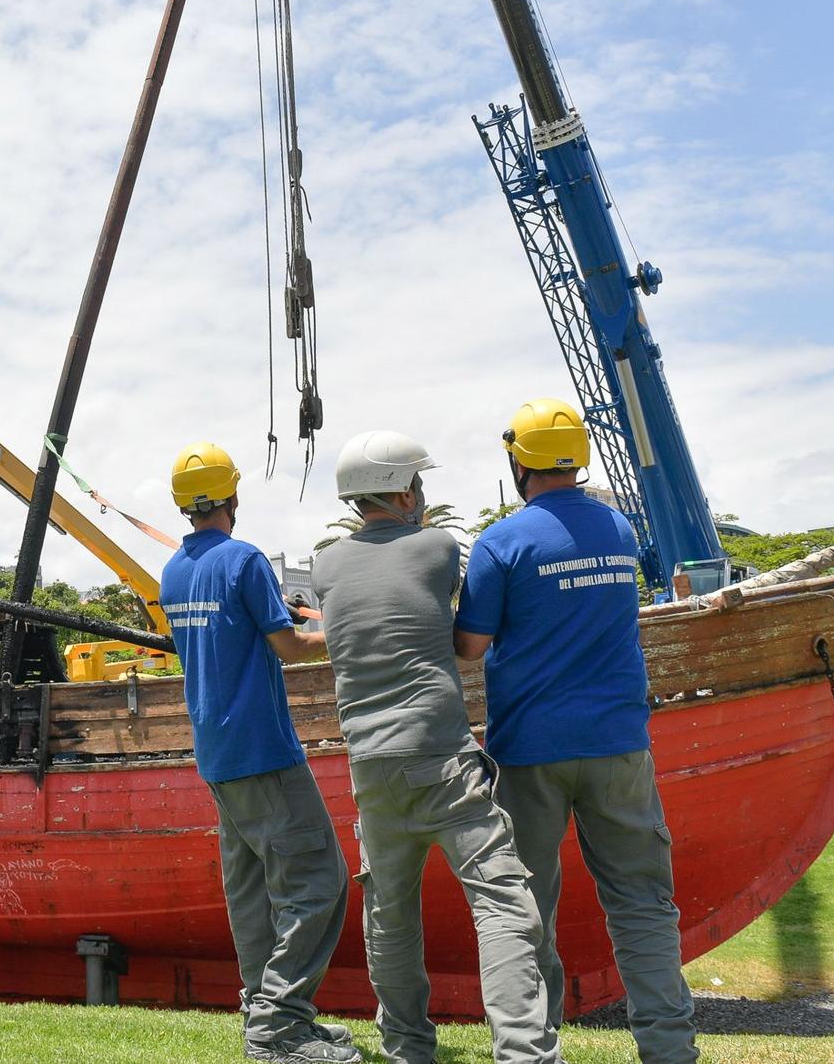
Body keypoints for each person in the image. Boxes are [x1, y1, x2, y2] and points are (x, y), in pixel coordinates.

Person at [455, 399, 699, 1064]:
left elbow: (470, 646)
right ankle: (670, 1051)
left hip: (529, 750)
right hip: (619, 745)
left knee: (524, 910)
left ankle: (535, 1052)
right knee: (643, 903)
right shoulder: (618, 530)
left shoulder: (502, 542)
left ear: (517, 460)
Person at [312, 431, 559, 1064]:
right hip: (441, 757)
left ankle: (407, 1048)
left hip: (369, 765)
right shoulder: (438, 545)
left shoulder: (327, 565)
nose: (424, 495)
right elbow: (455, 628)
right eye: (418, 484)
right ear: (400, 491)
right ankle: (525, 1052)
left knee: (390, 918)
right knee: (504, 902)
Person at [160, 441, 358, 1064]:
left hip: (216, 752)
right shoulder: (245, 559)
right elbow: (291, 647)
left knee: (250, 889)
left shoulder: (173, 571)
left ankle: (265, 1011)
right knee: (318, 882)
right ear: (233, 496)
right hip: (263, 749)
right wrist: (349, 630)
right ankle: (279, 1026)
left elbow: (232, 635)